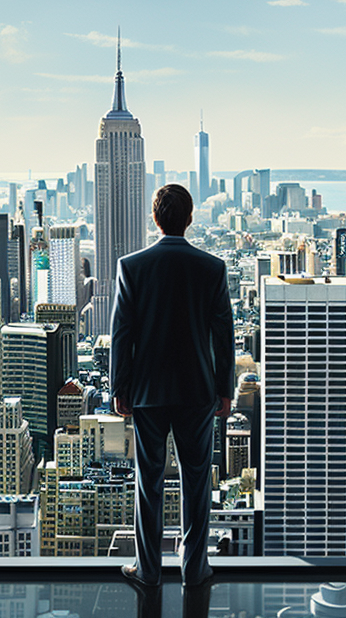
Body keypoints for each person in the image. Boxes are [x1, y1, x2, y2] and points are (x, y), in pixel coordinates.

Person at [111, 183, 233, 589]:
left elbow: (121, 333)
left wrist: (119, 387)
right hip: (198, 390)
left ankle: (147, 570)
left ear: (155, 218)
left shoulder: (131, 266)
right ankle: (194, 569)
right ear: (191, 218)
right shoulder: (212, 267)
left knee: (150, 481)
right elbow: (224, 335)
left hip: (147, 391)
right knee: (197, 480)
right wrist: (226, 389)